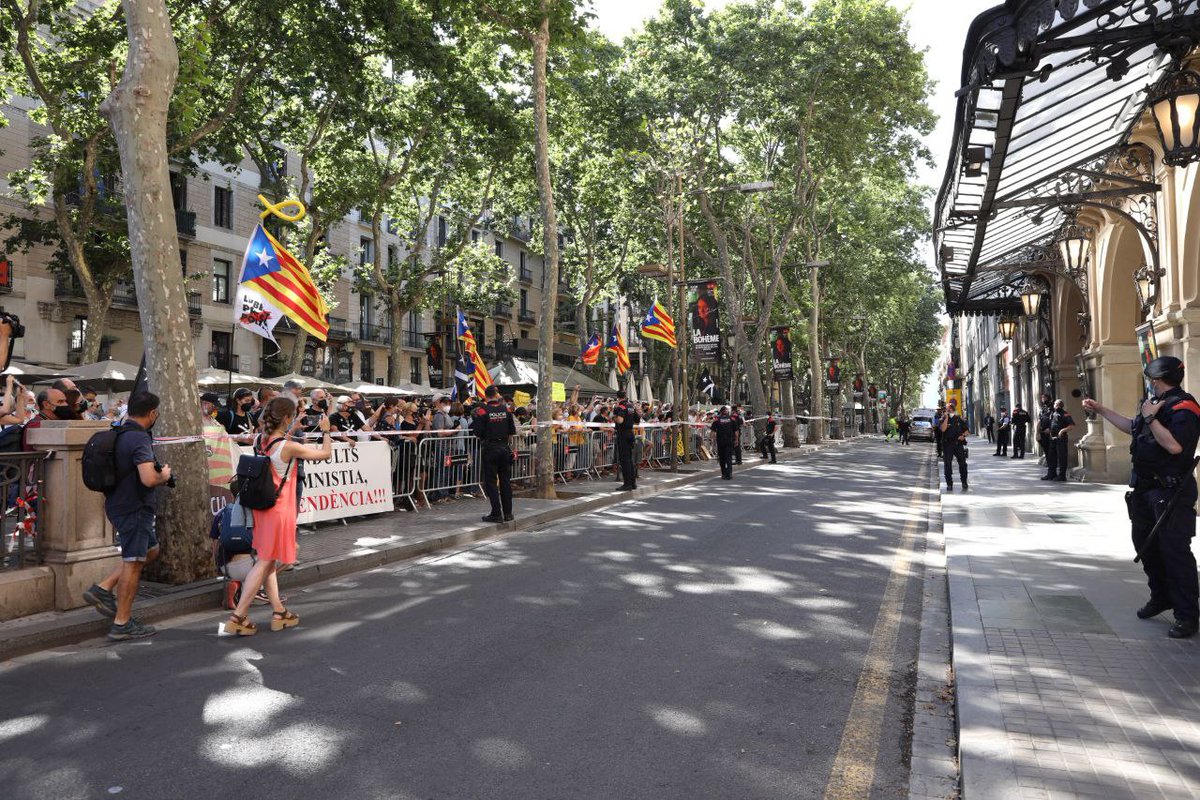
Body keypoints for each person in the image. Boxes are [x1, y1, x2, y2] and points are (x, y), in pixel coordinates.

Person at [1083, 356, 1200, 638]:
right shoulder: (1154, 406)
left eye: (1150, 379)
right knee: (1146, 548)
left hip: (1170, 492)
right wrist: (1101, 409)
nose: (1149, 384)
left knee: (1175, 553)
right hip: (1145, 491)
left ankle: (1187, 614)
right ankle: (1161, 597)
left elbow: (1174, 446)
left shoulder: (1185, 407)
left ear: (1156, 380)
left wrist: (1151, 417)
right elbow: (1131, 426)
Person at [224, 396, 333, 636]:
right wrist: (326, 431)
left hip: (261, 508)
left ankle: (279, 612)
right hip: (279, 509)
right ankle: (238, 616)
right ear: (286, 418)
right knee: (265, 561)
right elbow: (324, 454)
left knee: (268, 559)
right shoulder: (288, 447)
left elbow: (277, 443)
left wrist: (290, 430)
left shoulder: (259, 440)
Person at [81, 392, 174, 641]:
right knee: (133, 563)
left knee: (150, 550)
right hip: (134, 508)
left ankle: (103, 588)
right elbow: (148, 478)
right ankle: (122, 623)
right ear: (152, 413)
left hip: (117, 503)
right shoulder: (139, 439)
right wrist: (163, 475)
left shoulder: (118, 432)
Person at [471, 385, 516, 522]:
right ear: (496, 395)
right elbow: (511, 431)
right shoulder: (506, 409)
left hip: (490, 448)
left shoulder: (482, 411)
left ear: (485, 396)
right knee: (505, 482)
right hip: (504, 447)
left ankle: (496, 513)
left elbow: (477, 433)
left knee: (491, 482)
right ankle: (508, 513)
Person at [939, 399, 969, 491]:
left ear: (952, 410)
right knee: (947, 464)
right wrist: (946, 418)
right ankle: (949, 484)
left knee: (963, 464)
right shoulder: (943, 419)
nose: (947, 410)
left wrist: (963, 436)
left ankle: (964, 482)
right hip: (947, 445)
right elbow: (943, 429)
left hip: (958, 444)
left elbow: (967, 431)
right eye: (946, 409)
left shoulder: (959, 419)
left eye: (948, 409)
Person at [1043, 398, 1075, 481]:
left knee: (1062, 457)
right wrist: (1049, 430)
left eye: (1055, 404)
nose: (1054, 405)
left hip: (1061, 439)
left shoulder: (1065, 414)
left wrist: (1062, 430)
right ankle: (1051, 474)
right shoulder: (1053, 413)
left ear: (1058, 405)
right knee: (1051, 457)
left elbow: (1071, 425)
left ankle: (1062, 476)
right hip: (1052, 438)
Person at [613, 391, 639, 490]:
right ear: (625, 396)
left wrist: (614, 417)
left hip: (623, 434)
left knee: (625, 460)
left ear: (618, 397)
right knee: (629, 459)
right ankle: (633, 483)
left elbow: (620, 420)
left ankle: (627, 484)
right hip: (630, 433)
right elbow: (637, 420)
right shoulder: (631, 406)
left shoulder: (620, 406)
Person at [712, 406, 737, 479]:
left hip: (720, 441)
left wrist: (713, 441)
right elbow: (736, 431)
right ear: (727, 412)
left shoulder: (717, 420)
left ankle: (723, 474)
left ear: (721, 412)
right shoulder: (732, 419)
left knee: (722, 458)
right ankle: (729, 474)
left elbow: (713, 432)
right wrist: (736, 440)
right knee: (728, 458)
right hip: (729, 441)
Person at [1036, 394, 1053, 469]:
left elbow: (1054, 420)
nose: (1043, 399)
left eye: (1044, 398)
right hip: (1043, 432)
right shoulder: (1043, 408)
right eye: (1042, 398)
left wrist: (1050, 429)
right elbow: (1039, 420)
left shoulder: (1053, 408)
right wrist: (1037, 433)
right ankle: (1050, 467)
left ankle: (1051, 468)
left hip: (1050, 433)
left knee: (1051, 451)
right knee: (1046, 450)